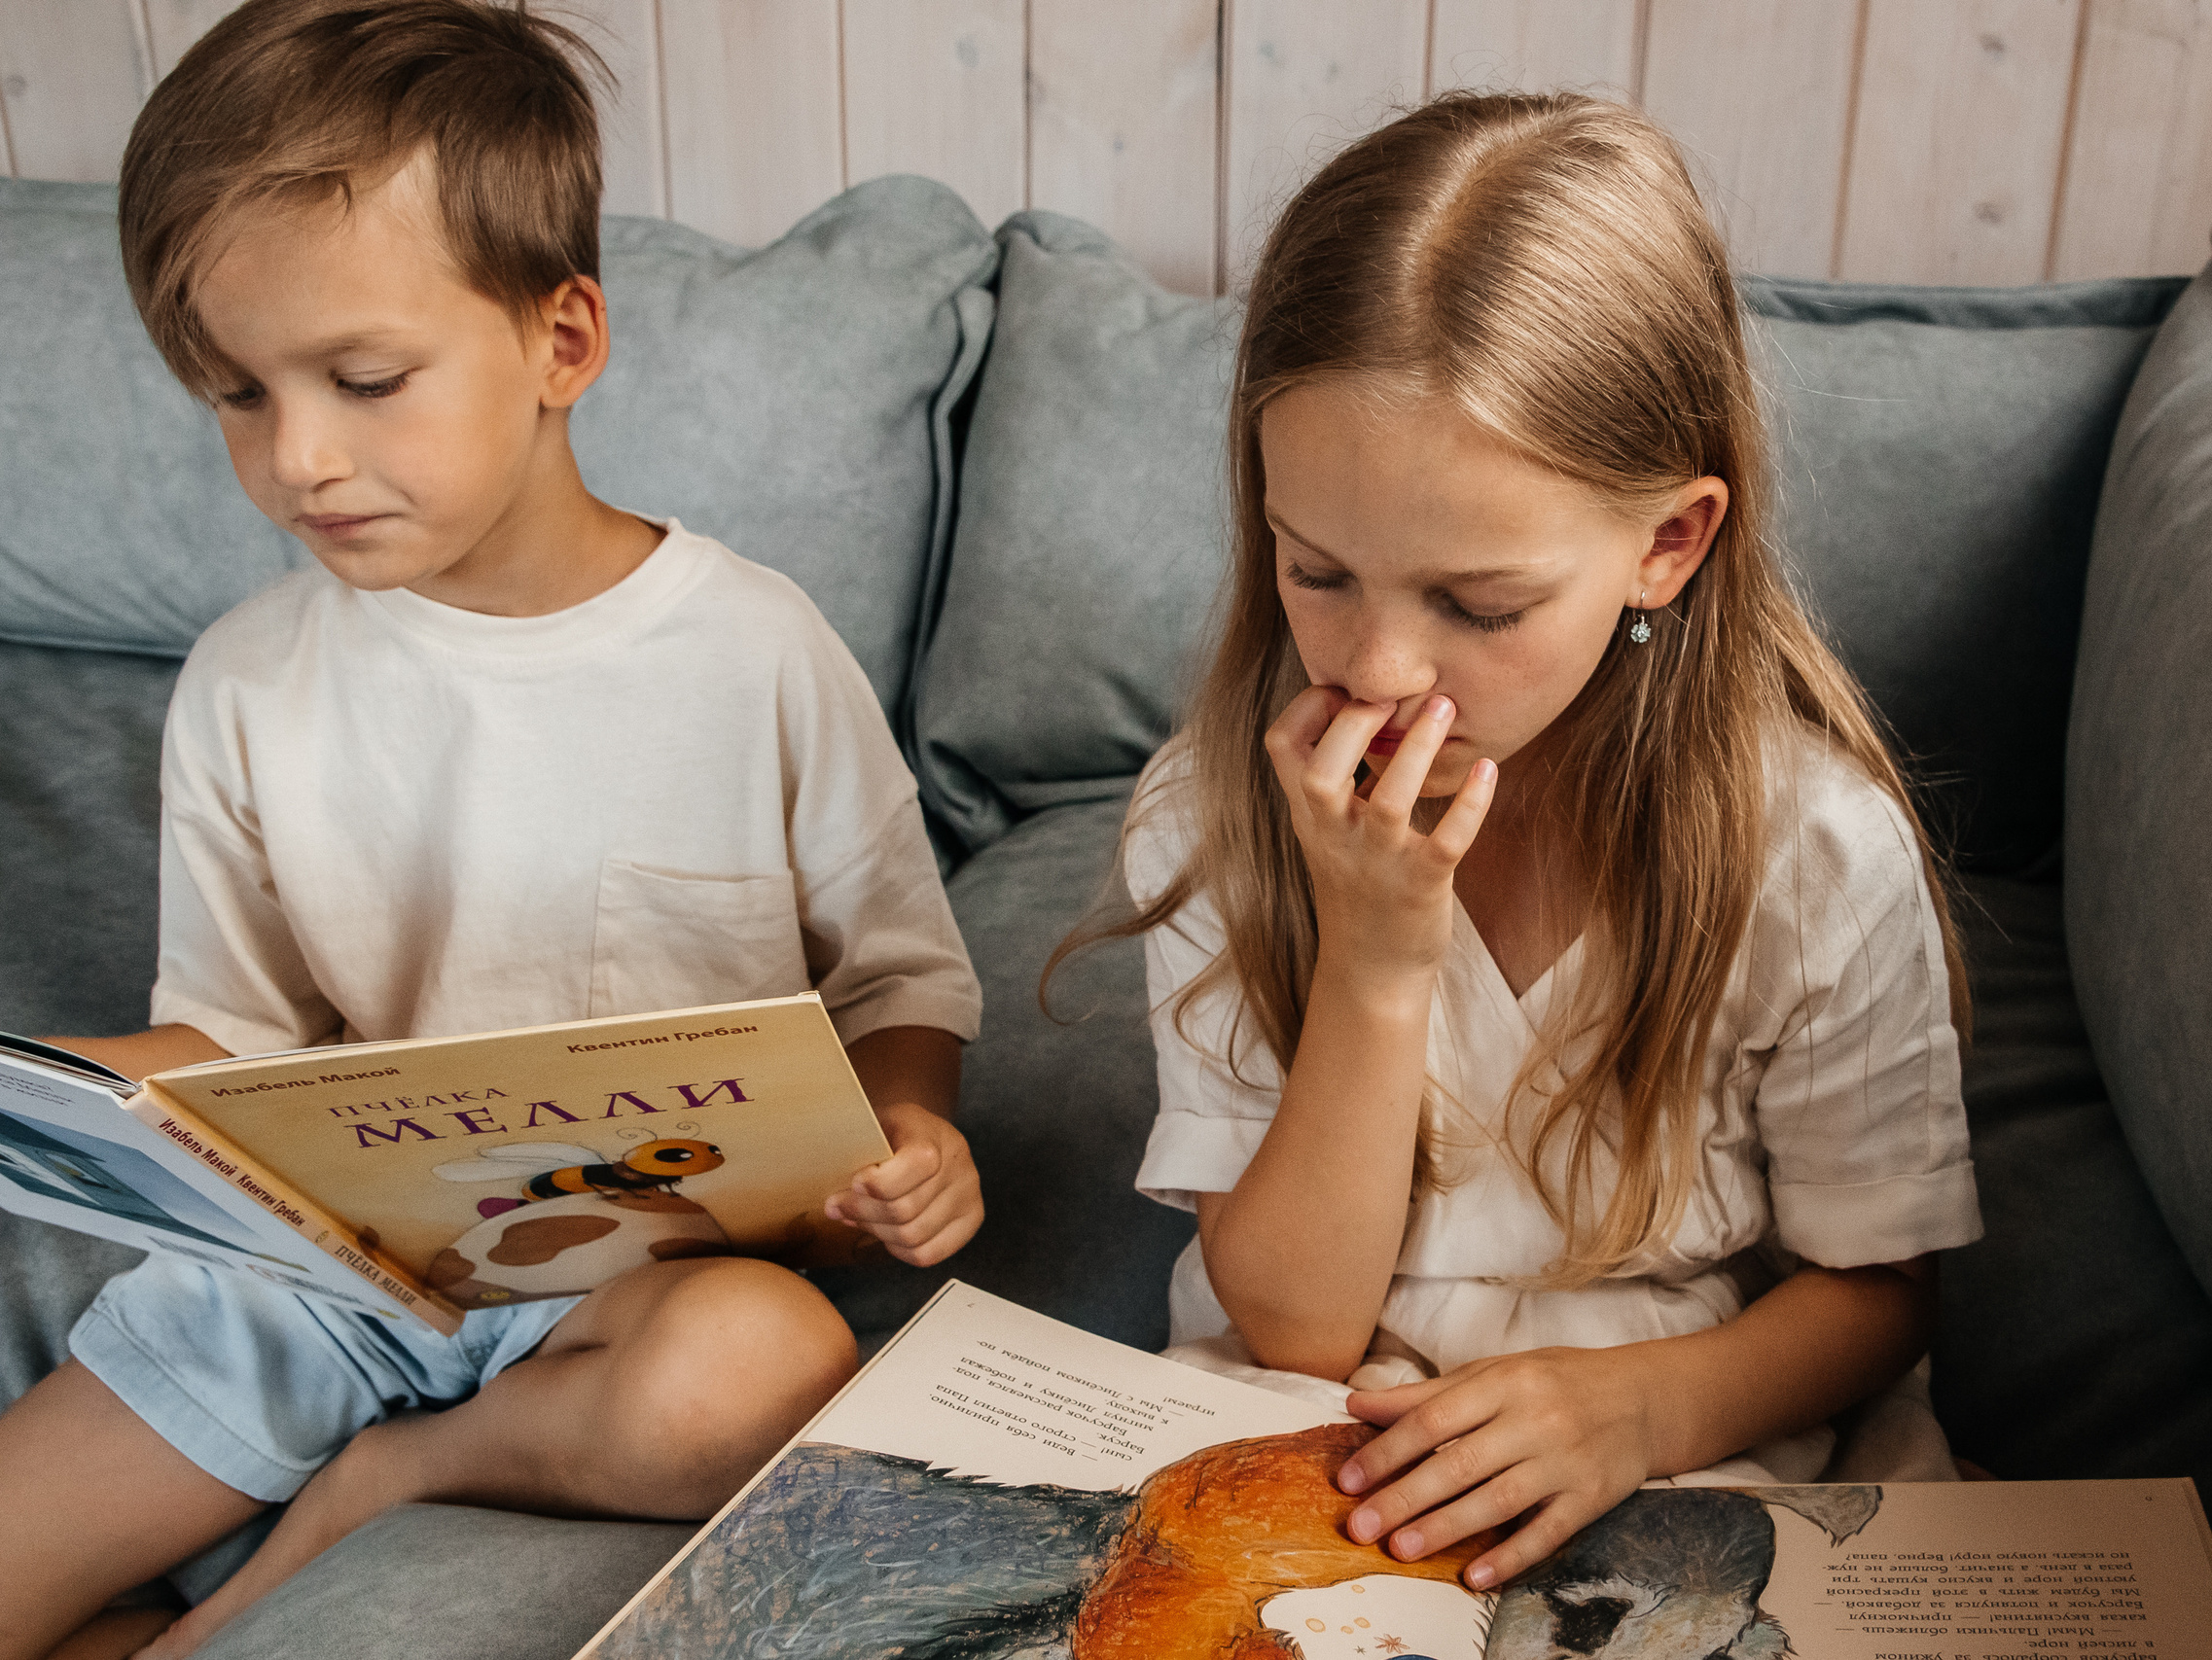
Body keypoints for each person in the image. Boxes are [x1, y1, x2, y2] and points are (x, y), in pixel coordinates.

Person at [0, 5, 983, 1656]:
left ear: (563, 341)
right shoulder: (248, 682)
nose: (299, 456)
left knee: (766, 1370)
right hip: (324, 1282)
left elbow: (900, 970)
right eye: (237, 396)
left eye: (364, 380)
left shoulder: (750, 649)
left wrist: (912, 1138)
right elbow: (228, 1038)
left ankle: (386, 1488)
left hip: (639, 1289)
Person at [1086, 91, 1983, 1596]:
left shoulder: (1815, 851)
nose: (1374, 671)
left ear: (1669, 544)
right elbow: (1295, 1325)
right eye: (1317, 572)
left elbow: (1879, 1294)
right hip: (1329, 1427)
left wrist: (1642, 1410)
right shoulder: (1217, 807)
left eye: (1479, 607)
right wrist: (1375, 960)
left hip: (1694, 1427)